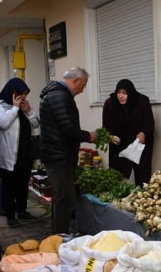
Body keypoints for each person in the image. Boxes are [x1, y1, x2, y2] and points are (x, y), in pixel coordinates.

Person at [39, 67, 97, 234]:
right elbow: (68, 128)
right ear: (76, 81)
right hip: (59, 155)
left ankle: (59, 234)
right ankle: (60, 237)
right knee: (63, 198)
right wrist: (89, 136)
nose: (82, 90)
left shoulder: (55, 94)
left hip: (56, 153)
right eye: (83, 85)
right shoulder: (60, 97)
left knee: (61, 197)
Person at [0, 78, 39, 227]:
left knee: (22, 185)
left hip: (25, 154)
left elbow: (36, 123)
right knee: (8, 187)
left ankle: (22, 210)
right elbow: (3, 124)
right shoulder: (1, 106)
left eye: (26, 94)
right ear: (13, 92)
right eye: (21, 94)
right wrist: (14, 108)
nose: (24, 97)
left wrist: (29, 111)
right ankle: (10, 215)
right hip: (9, 155)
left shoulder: (24, 107)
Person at [102, 79, 155, 186]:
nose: (120, 96)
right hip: (119, 143)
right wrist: (109, 136)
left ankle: (142, 197)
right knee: (116, 176)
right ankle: (117, 198)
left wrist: (143, 133)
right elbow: (106, 126)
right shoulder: (110, 103)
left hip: (138, 143)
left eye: (124, 93)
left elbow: (149, 123)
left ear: (130, 93)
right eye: (118, 92)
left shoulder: (142, 101)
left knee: (142, 176)